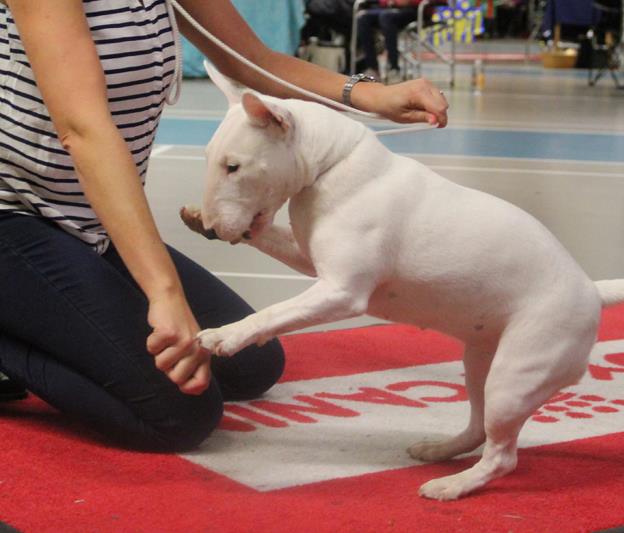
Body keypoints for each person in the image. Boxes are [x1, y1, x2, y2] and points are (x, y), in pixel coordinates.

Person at [0, 0, 448, 452]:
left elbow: (253, 60)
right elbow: (83, 130)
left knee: (249, 364)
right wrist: (164, 292)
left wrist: (373, 96)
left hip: (85, 224)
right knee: (177, 416)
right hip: (12, 216)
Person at [356, 0, 423, 84]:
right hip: (390, 9)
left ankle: (394, 69)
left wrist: (410, 2)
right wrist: (389, 2)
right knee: (363, 18)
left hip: (416, 10)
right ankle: (372, 68)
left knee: (386, 17)